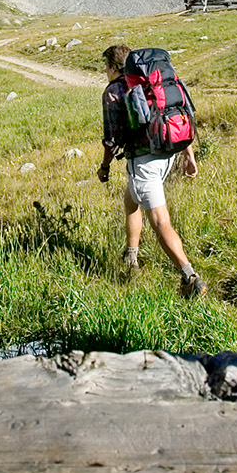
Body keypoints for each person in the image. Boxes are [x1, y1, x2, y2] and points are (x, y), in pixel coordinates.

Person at [97, 44, 206, 298]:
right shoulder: (151, 84)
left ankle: (189, 276)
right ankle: (131, 257)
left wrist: (104, 167)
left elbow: (111, 138)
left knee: (160, 221)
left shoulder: (114, 91)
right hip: (166, 154)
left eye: (106, 67)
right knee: (131, 198)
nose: (105, 72)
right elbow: (180, 111)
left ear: (113, 68)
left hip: (143, 162)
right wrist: (189, 155)